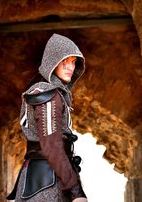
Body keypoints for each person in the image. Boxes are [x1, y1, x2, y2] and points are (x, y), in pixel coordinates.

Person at [7, 34, 88, 202]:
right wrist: (76, 192)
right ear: (52, 62)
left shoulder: (55, 93)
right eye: (64, 61)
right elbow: (51, 146)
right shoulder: (45, 92)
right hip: (44, 184)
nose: (70, 67)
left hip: (50, 178)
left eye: (73, 62)